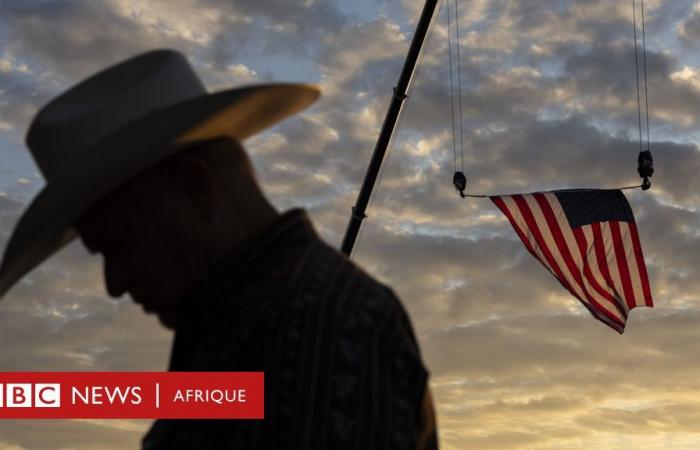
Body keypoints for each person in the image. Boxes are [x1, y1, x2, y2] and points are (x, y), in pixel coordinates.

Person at [0, 49, 437, 449]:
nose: (115, 283)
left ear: (197, 187)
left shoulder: (323, 329)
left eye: (120, 245)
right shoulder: (264, 325)